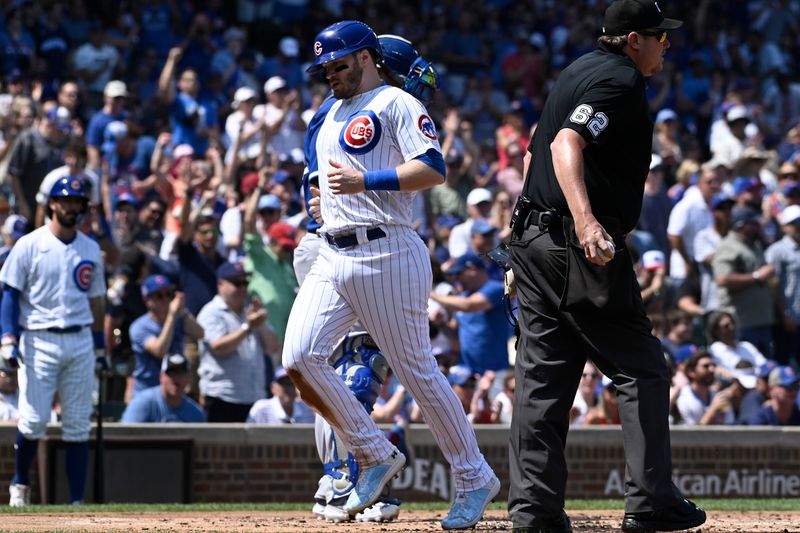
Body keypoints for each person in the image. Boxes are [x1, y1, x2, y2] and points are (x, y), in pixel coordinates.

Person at [282, 20, 499, 530]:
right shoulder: (331, 112)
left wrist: (365, 180)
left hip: (386, 251)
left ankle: (473, 476)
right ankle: (373, 452)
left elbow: (432, 168)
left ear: (366, 57)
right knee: (299, 358)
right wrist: (318, 201)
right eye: (324, 68)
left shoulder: (398, 103)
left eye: (339, 65)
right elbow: (319, 180)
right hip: (333, 253)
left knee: (417, 371)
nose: (330, 75)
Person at [506, 2, 706, 532]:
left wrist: (522, 237)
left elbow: (533, 154)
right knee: (641, 368)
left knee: (543, 381)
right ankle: (652, 503)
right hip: (577, 246)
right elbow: (566, 142)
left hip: (533, 238)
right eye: (660, 36)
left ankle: (533, 514)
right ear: (634, 38)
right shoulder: (618, 79)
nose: (667, 45)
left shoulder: (576, 69)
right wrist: (586, 221)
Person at [301, 33, 441, 525]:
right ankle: (350, 476)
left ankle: (337, 478)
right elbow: (318, 179)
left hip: (350, 242)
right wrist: (318, 202)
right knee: (357, 366)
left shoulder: (357, 108)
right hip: (343, 246)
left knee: (329, 368)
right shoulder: (359, 105)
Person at [0, 176, 106, 506]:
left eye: (77, 202)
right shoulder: (30, 244)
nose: (72, 207)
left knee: (77, 424)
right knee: (33, 420)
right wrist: (7, 337)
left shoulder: (90, 248)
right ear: (53, 204)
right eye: (66, 201)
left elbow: (98, 301)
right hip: (39, 337)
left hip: (79, 338)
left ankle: (76, 499)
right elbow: (10, 294)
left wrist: (101, 344)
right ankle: (20, 485)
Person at [196, 261, 279, 422]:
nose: (243, 288)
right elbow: (219, 347)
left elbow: (274, 347)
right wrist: (248, 327)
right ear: (220, 284)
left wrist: (260, 324)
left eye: (245, 283)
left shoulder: (250, 312)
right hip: (223, 399)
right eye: (237, 283)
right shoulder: (210, 312)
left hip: (255, 399)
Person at [128, 274, 204, 397]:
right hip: (147, 391)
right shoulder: (139, 327)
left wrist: (182, 312)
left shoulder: (179, 318)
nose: (166, 300)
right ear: (146, 300)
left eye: (169, 294)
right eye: (159, 296)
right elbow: (160, 351)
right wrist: (172, 316)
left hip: (174, 391)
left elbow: (200, 334)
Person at [120, 353, 207, 423]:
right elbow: (125, 435)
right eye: (171, 373)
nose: (176, 378)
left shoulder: (196, 413)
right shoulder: (142, 403)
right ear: (161, 377)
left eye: (181, 373)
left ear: (189, 378)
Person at [246, 366, 314, 424]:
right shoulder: (261, 409)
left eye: (292, 383)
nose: (289, 388)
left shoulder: (307, 410)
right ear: (273, 388)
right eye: (284, 384)